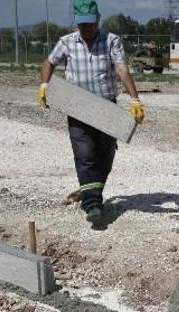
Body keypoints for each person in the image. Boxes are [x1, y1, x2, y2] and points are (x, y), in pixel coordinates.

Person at [38, 0, 145, 227]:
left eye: (90, 24)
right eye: (82, 25)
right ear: (77, 23)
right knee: (85, 153)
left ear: (98, 20)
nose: (86, 29)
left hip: (106, 107)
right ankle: (93, 205)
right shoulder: (66, 42)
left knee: (105, 157)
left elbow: (120, 68)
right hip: (76, 106)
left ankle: (90, 192)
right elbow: (49, 62)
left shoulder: (111, 41)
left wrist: (134, 97)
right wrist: (44, 85)